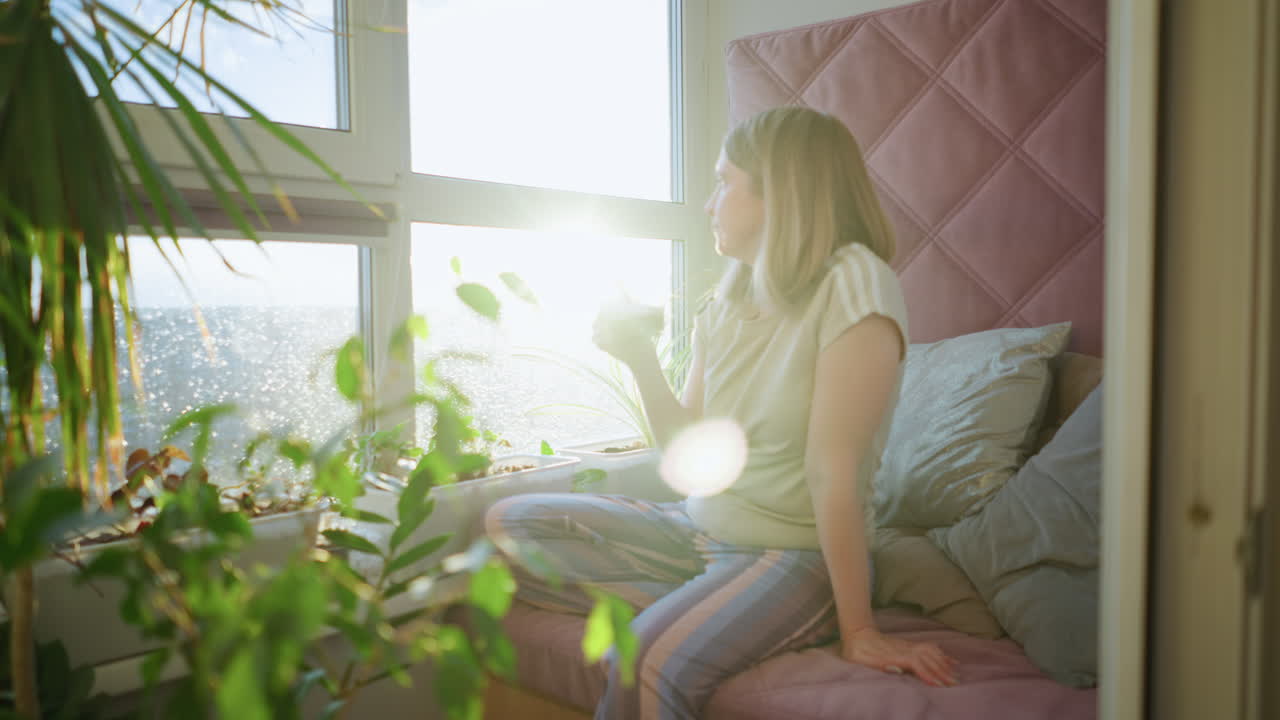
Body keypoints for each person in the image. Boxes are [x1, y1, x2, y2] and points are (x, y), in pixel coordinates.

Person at [486, 106, 958, 719]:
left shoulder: (854, 283)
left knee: (643, 661)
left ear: (781, 191)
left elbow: (831, 471)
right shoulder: (728, 298)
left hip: (794, 555)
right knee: (508, 528)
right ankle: (713, 606)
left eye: (724, 181)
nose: (710, 203)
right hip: (697, 528)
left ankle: (733, 611)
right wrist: (640, 358)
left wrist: (859, 630)